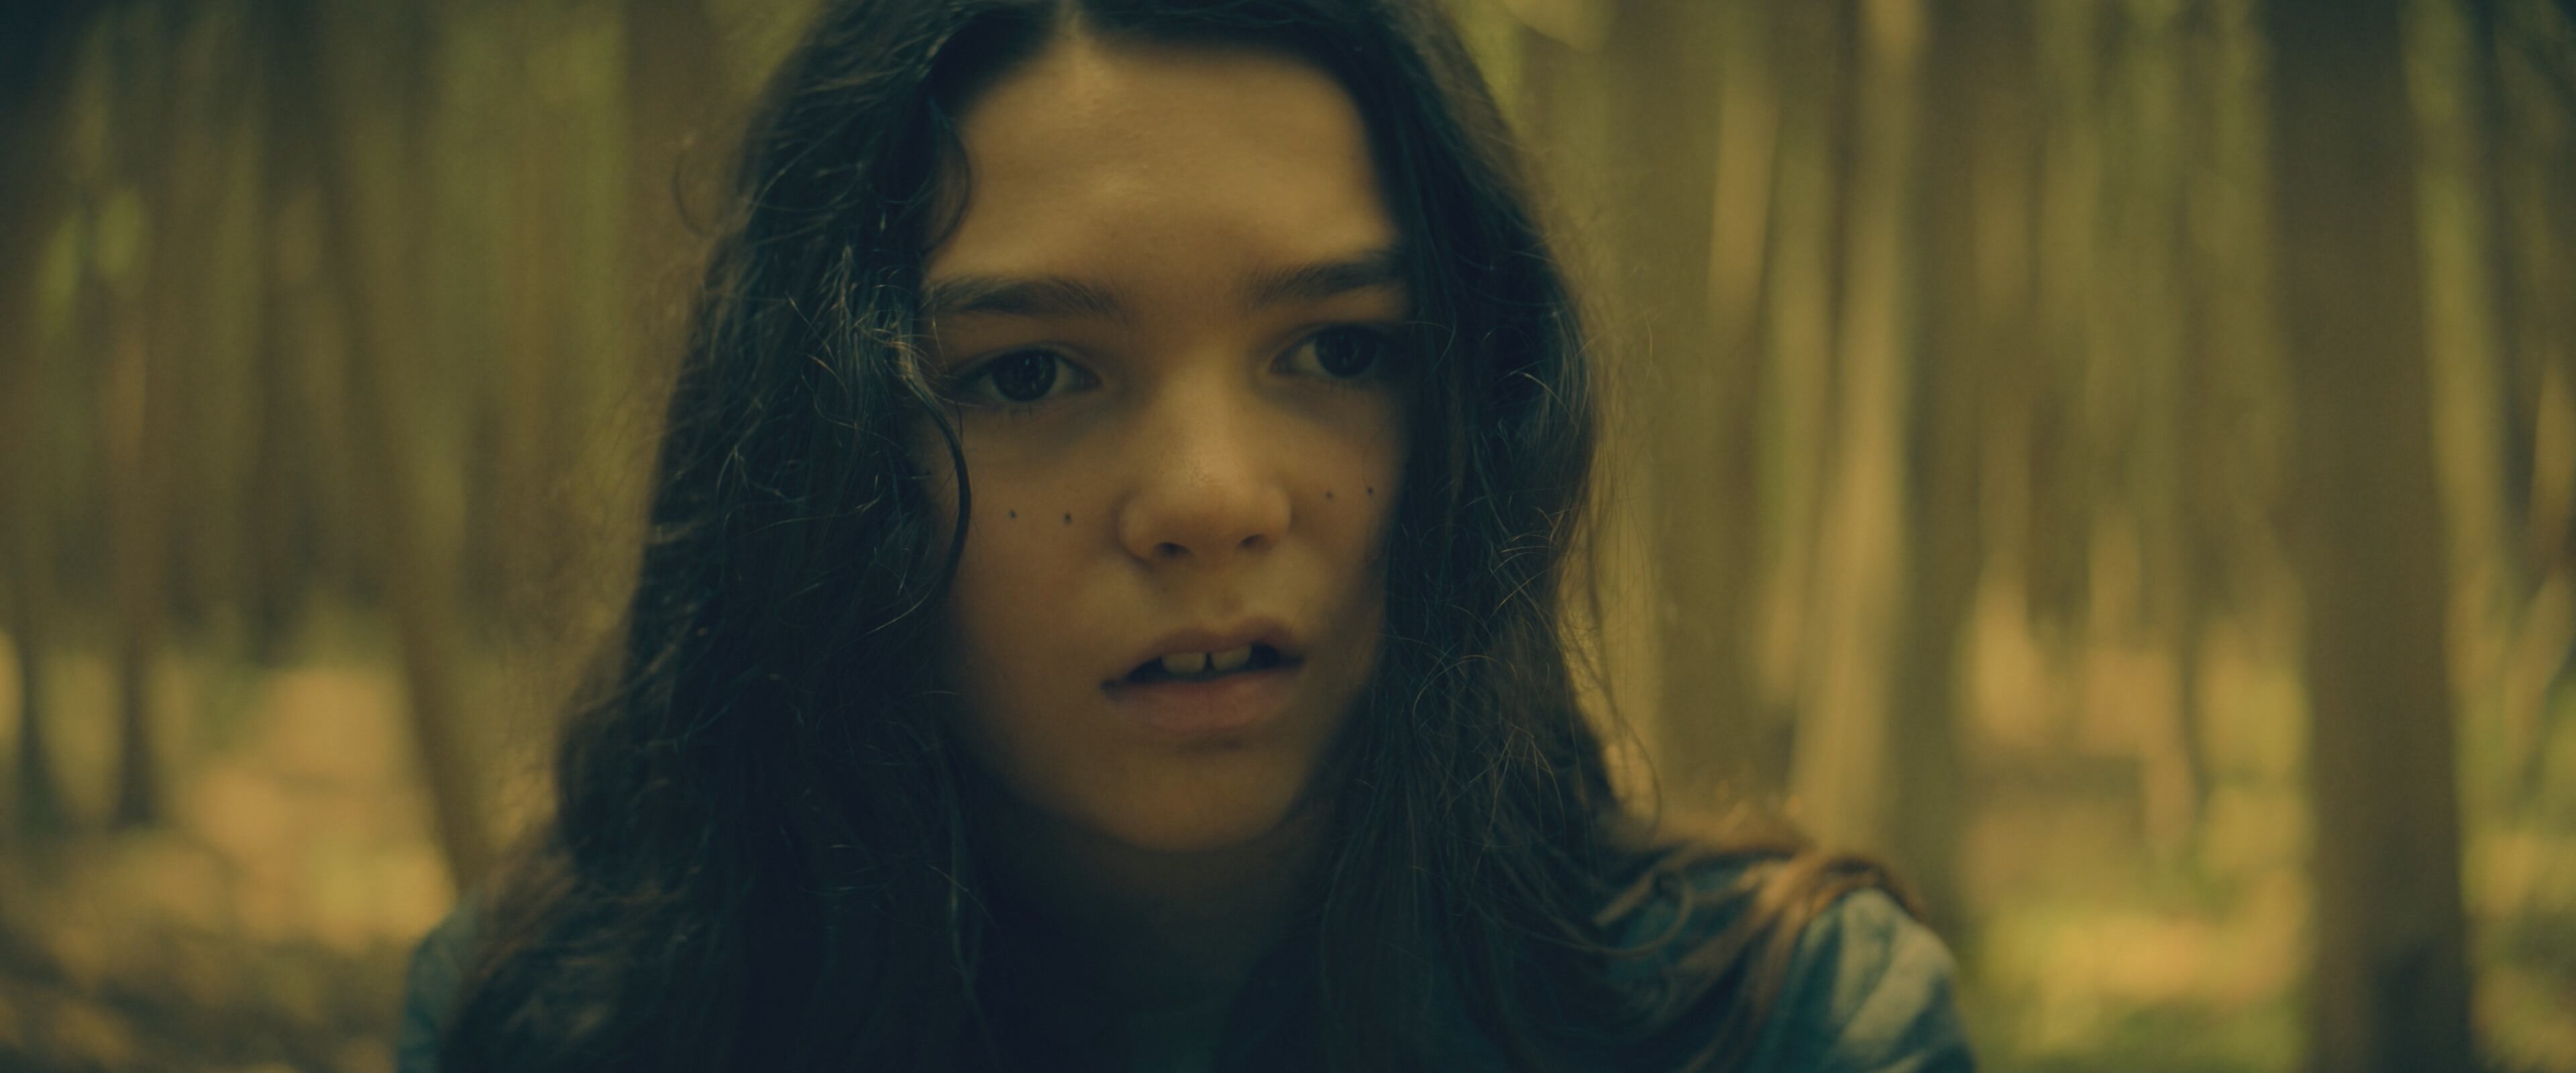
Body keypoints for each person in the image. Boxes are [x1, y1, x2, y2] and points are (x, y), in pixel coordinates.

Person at [396, 1, 1975, 1070]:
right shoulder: (566, 1021)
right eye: (1032, 372)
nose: (1214, 498)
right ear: (827, 459)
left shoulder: (1781, 1027)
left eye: (1338, 349)